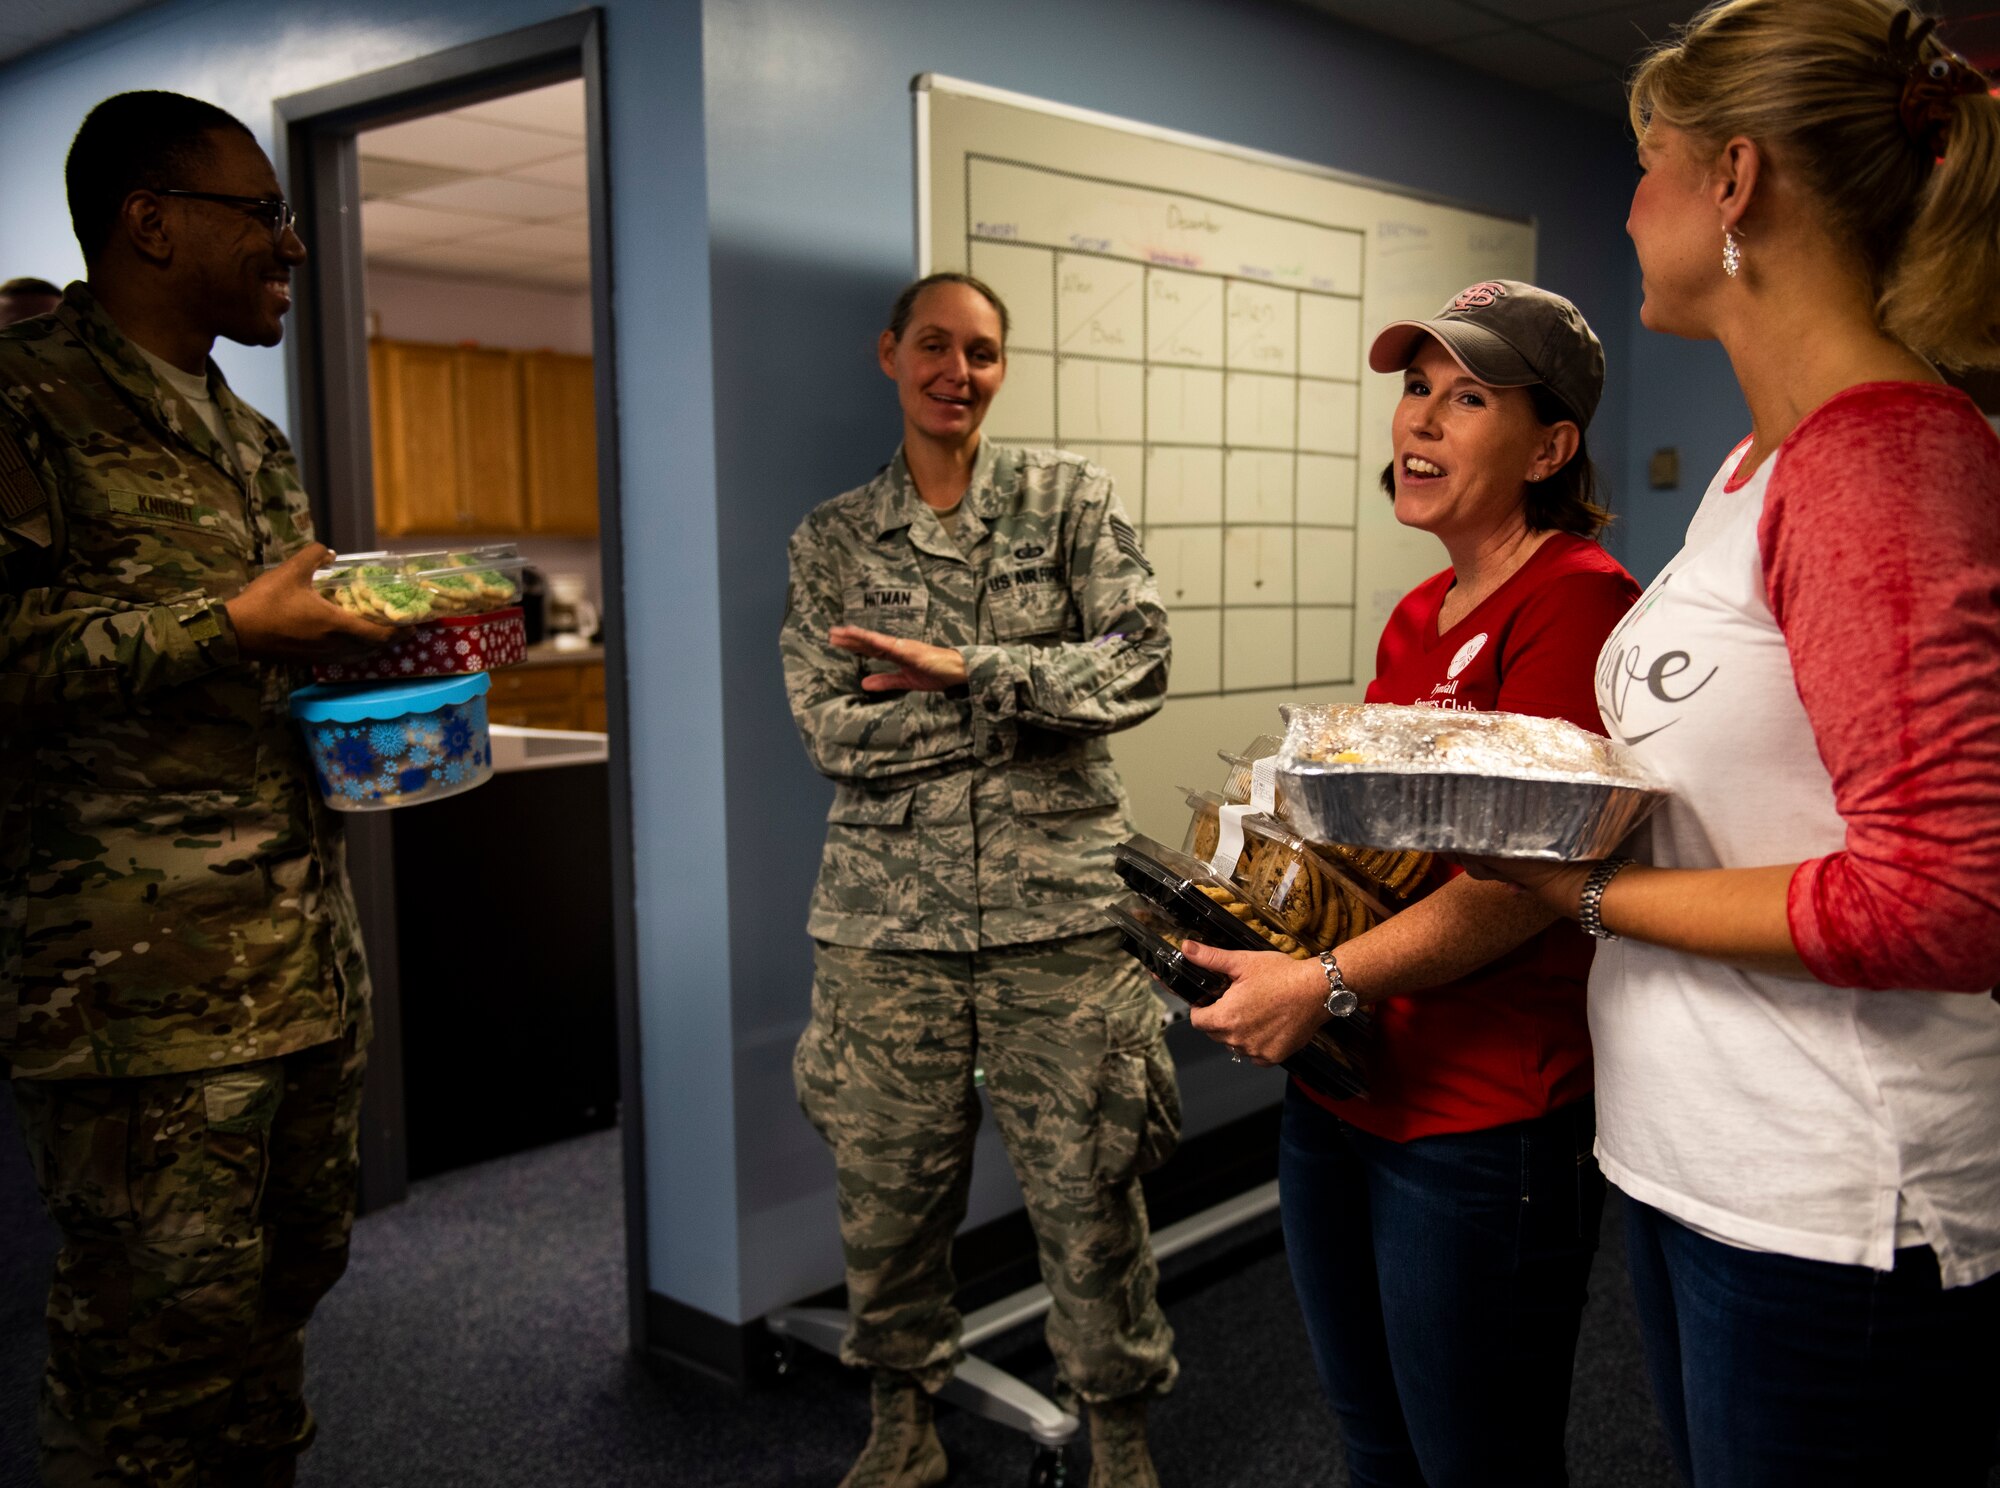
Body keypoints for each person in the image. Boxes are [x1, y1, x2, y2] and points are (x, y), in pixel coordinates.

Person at [1460, 4, 2000, 1484]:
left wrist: (1572, 897)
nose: (1628, 209)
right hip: (1706, 1164)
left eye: (1646, 169)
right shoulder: (1762, 461)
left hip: (1834, 1199)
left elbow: (1947, 900)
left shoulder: (1882, 456)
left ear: (1734, 182)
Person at [1180, 282, 1639, 1487]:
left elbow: (1518, 877)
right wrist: (1260, 901)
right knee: (1372, 1440)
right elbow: (1395, 852)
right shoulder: (1414, 615)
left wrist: (1319, 978)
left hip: (1479, 1118)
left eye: (1468, 397)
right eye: (1414, 389)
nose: (1421, 423)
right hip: (1348, 1082)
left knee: (1475, 1462)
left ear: (1549, 447)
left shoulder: (1579, 603)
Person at [1, 91, 390, 1486]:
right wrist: (226, 627)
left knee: (276, 1305)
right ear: (149, 222)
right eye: (261, 213)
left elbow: (261, 662)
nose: (290, 244)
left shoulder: (253, 439)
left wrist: (363, 664)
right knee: (146, 1360)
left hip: (294, 967)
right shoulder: (25, 404)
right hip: (133, 1002)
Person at [781, 271, 1180, 1488]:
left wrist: (961, 670)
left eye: (985, 352)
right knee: (886, 1199)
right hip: (883, 932)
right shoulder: (832, 540)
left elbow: (1140, 663)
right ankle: (901, 1417)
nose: (959, 371)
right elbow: (829, 731)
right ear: (890, 354)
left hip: (1055, 919)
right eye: (937, 346)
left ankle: (1117, 1431)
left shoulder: (1069, 504)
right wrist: (1025, 699)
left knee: (1091, 1196)